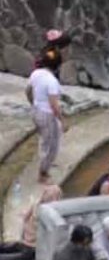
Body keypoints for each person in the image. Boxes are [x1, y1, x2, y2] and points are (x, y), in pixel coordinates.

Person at [0, 185, 62, 260]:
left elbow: (25, 218)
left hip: (26, 246)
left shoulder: (38, 205)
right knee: (6, 254)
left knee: (5, 252)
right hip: (29, 248)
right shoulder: (50, 213)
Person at [26, 47, 64, 183]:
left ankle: (44, 164)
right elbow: (54, 105)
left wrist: (32, 103)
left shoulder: (36, 73)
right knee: (51, 145)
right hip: (47, 115)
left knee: (44, 140)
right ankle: (43, 174)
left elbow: (28, 90)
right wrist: (62, 120)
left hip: (36, 111)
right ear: (58, 65)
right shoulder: (52, 81)